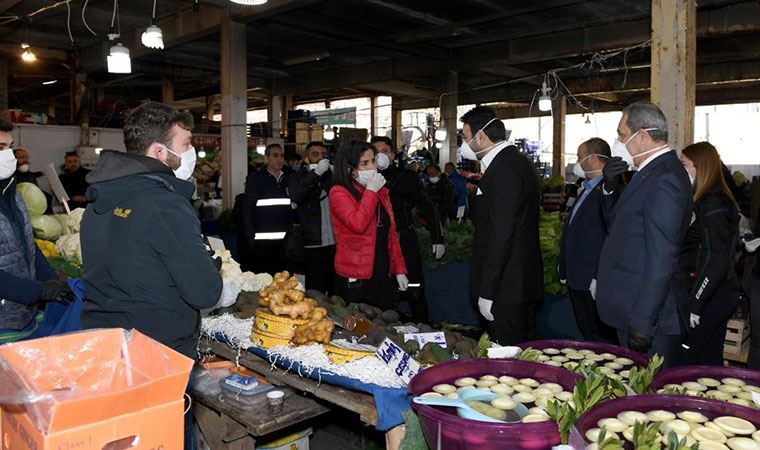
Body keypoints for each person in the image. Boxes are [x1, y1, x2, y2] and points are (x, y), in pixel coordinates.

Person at [595, 101, 693, 368]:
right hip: (631, 307)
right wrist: (610, 188)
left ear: (644, 136)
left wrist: (643, 321)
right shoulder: (647, 173)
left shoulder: (664, 179)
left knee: (648, 398)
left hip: (650, 318)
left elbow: (662, 258)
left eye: (622, 136)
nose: (618, 142)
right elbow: (622, 229)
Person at [461, 106, 543, 345]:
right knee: (521, 351)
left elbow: (501, 234)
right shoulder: (514, 162)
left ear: (482, 137)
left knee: (508, 356)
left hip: (507, 286)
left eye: (466, 138)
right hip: (515, 282)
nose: (465, 144)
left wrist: (488, 290)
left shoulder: (504, 169)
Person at [0, 119, 71, 344]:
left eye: (10, 146)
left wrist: (50, 281)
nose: (9, 155)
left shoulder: (12, 193)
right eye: (1, 148)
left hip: (22, 316)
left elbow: (28, 246)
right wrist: (36, 291)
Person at [678, 142, 739, 365]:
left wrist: (696, 303)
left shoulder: (713, 202)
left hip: (713, 293)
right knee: (708, 357)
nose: (681, 170)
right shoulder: (703, 198)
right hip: (712, 291)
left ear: (699, 166)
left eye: (684, 165)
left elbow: (716, 259)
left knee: (688, 355)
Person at [371, 136, 444, 322]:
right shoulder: (365, 178)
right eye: (375, 152)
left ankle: (423, 327)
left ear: (393, 154)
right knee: (383, 292)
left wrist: (437, 237)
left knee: (414, 288)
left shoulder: (406, 177)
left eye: (385, 152)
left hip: (404, 240)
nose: (380, 156)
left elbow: (427, 206)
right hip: (378, 244)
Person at [330, 140, 408, 310]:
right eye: (364, 163)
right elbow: (358, 224)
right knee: (356, 329)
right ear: (350, 169)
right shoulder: (339, 192)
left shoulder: (381, 192)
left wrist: (399, 269)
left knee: (382, 326)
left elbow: (391, 234)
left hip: (381, 274)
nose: (372, 168)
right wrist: (371, 191)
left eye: (373, 161)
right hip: (355, 278)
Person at [558, 138, 617, 344]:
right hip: (577, 276)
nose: (577, 162)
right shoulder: (585, 188)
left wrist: (598, 276)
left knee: (600, 335)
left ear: (592, 159)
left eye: (579, 157)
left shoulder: (609, 190)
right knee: (586, 330)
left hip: (592, 277)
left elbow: (609, 234)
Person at [289, 141, 335, 294]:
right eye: (315, 154)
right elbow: (297, 195)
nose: (320, 158)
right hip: (313, 242)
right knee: (316, 290)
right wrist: (316, 174)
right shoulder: (298, 177)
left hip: (335, 242)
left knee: (335, 290)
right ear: (307, 157)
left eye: (323, 155)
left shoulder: (331, 175)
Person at [243, 143, 292, 274]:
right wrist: (250, 236)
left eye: (281, 156)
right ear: (266, 158)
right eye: (275, 156)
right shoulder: (256, 180)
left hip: (285, 243)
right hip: (262, 243)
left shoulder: (288, 179)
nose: (279, 159)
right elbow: (248, 210)